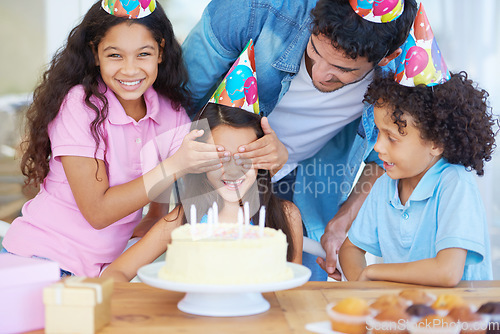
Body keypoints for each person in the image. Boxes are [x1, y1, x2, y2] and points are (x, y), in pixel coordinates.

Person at [181, 0, 418, 280]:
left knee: (296, 286)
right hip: (213, 162)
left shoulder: (411, 70)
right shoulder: (251, 9)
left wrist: (343, 222)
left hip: (310, 179)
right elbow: (177, 103)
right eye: (315, 50)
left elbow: (388, 158)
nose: (319, 73)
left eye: (342, 69)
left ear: (387, 58)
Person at [0, 0, 227, 277]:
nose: (129, 70)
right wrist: (176, 166)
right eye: (115, 55)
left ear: (161, 52)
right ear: (95, 54)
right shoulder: (80, 105)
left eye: (143, 54)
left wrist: (272, 153)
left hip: (100, 276)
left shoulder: (171, 113)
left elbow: (160, 211)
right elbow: (98, 212)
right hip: (39, 261)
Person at [338, 3, 496, 284]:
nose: (378, 147)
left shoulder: (454, 184)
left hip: (457, 321)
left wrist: (373, 272)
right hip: (405, 319)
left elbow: (447, 272)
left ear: (435, 142)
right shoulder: (386, 184)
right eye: (378, 133)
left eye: (393, 138)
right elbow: (350, 249)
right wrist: (362, 289)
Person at [101, 103, 304, 282]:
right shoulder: (186, 219)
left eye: (244, 157)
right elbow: (116, 272)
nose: (233, 170)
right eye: (220, 158)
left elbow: (291, 289)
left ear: (262, 159)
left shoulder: (286, 215)